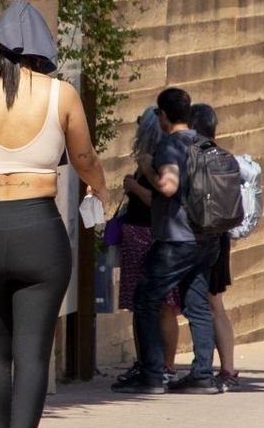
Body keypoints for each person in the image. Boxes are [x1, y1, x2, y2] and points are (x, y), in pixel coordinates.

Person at [0, 0, 109, 428]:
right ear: (41, 49)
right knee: (32, 352)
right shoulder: (61, 94)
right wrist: (101, 187)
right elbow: (83, 157)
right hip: (38, 230)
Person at [114, 87, 220, 395]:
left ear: (163, 115)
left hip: (176, 238)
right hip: (206, 238)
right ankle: (202, 375)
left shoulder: (170, 146)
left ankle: (152, 373)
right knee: (197, 305)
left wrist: (147, 167)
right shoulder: (204, 143)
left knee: (146, 299)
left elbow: (169, 186)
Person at [111, 106, 180, 390]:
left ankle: (165, 366)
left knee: (163, 305)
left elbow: (160, 200)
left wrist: (135, 187)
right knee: (140, 306)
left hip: (151, 235)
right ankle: (146, 363)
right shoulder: (150, 160)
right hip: (137, 233)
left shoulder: (162, 159)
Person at [188, 102, 240, 392]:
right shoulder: (225, 157)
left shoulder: (196, 157)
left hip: (201, 237)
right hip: (221, 235)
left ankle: (217, 369)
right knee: (216, 304)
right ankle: (229, 369)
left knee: (207, 304)